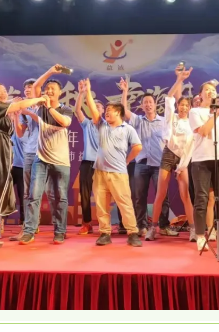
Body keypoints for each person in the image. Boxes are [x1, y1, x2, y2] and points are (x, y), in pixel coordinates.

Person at [0, 84, 45, 251]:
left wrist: (14, 110)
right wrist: (40, 98)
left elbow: (16, 119)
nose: (3, 93)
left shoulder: (4, 111)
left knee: (1, 191)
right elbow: (19, 105)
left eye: (5, 91)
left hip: (3, 150)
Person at [82, 78, 143, 247]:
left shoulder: (128, 129)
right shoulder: (102, 126)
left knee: (125, 203)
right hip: (100, 172)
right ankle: (105, 233)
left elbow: (137, 147)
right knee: (101, 205)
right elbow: (92, 109)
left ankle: (132, 233)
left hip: (118, 173)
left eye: (110, 110)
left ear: (118, 113)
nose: (106, 113)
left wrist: (127, 160)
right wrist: (87, 91)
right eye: (106, 110)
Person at [20, 65, 74, 246]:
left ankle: (59, 232)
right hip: (41, 159)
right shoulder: (39, 106)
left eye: (53, 89)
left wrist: (50, 108)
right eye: (47, 89)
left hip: (61, 161)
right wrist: (50, 71)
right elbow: (36, 87)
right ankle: (29, 231)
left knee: (60, 198)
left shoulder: (66, 109)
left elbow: (64, 122)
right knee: (34, 195)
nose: (49, 91)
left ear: (60, 93)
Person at [120, 78, 176, 237]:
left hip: (160, 164)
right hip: (141, 164)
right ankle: (141, 226)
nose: (148, 105)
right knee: (139, 197)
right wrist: (125, 91)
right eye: (145, 102)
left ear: (155, 104)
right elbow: (124, 111)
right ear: (142, 106)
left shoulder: (164, 121)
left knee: (162, 196)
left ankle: (163, 226)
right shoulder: (138, 120)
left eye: (150, 102)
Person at [146, 66, 196, 242]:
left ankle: (193, 229)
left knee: (185, 195)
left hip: (183, 158)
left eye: (186, 105)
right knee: (160, 193)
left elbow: (190, 147)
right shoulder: (171, 117)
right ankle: (153, 228)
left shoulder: (192, 123)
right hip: (168, 154)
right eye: (181, 104)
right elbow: (169, 97)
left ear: (190, 108)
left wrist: (182, 166)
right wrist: (179, 79)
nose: (183, 107)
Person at [188, 80, 219, 252]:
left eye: (213, 90)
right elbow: (203, 131)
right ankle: (201, 236)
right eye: (206, 90)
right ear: (200, 95)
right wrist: (215, 114)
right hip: (201, 160)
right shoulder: (195, 112)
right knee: (201, 198)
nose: (210, 92)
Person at [10, 78, 44, 241]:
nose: (27, 91)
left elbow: (44, 123)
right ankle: (27, 228)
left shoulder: (44, 105)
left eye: (30, 87)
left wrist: (27, 111)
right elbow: (20, 133)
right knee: (26, 193)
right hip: (29, 152)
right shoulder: (25, 109)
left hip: (44, 152)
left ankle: (55, 229)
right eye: (25, 89)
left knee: (38, 192)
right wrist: (17, 116)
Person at [75, 80, 105, 235]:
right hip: (87, 162)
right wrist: (81, 93)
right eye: (94, 106)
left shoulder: (105, 124)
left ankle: (104, 223)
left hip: (102, 163)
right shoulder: (86, 124)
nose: (96, 108)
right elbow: (77, 110)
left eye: (99, 107)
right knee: (85, 193)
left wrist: (88, 92)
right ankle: (86, 223)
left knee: (102, 193)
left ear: (103, 111)